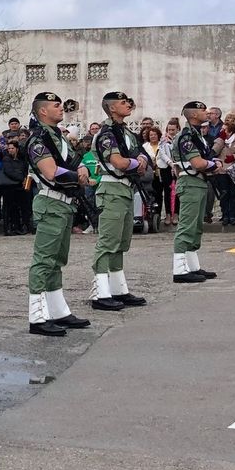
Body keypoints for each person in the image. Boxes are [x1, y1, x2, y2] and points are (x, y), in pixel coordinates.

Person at [23, 92, 92, 336]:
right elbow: (51, 172)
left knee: (56, 260)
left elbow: (75, 160)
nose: (61, 108)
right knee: (44, 260)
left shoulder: (57, 137)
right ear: (43, 111)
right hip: (50, 203)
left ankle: (57, 310)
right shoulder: (38, 139)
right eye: (56, 105)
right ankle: (37, 315)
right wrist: (79, 176)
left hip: (64, 204)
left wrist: (82, 167)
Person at [89, 91, 149, 311]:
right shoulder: (106, 134)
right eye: (123, 103)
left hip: (124, 189)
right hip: (111, 188)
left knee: (120, 243)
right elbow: (119, 162)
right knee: (108, 242)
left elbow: (140, 153)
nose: (128, 105)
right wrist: (137, 162)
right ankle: (100, 293)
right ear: (112, 108)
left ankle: (118, 289)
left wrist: (139, 159)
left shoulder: (125, 132)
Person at [170, 102, 222, 283]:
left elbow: (204, 159)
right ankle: (179, 269)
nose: (206, 112)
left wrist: (212, 163)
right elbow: (198, 163)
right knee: (187, 226)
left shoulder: (197, 135)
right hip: (191, 181)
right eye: (202, 110)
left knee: (196, 227)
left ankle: (192, 266)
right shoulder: (186, 136)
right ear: (192, 115)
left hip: (199, 182)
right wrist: (214, 165)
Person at [0, 136, 30, 235]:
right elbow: (8, 171)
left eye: (12, 148)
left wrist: (24, 178)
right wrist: (21, 178)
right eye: (9, 148)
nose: (10, 150)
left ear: (17, 149)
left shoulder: (22, 159)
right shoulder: (6, 159)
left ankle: (19, 227)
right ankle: (8, 228)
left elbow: (25, 169)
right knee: (8, 208)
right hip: (9, 187)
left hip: (19, 187)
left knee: (19, 207)